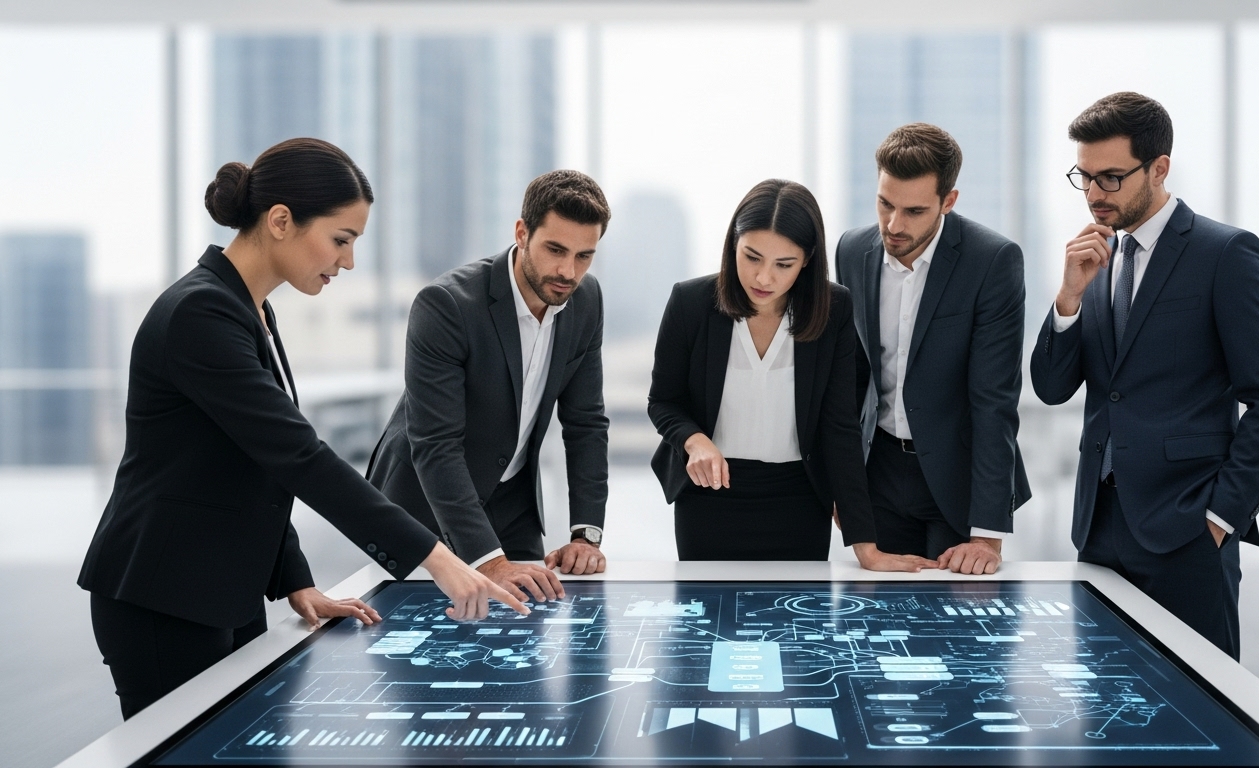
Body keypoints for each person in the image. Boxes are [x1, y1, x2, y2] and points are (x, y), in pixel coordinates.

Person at [78, 138, 526, 720]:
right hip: (164, 594)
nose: (348, 261)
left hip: (222, 588)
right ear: (281, 221)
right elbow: (299, 456)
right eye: (342, 239)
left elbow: (258, 461)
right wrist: (438, 558)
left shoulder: (249, 309)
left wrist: (295, 580)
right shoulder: (200, 313)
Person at [1029, 92, 1259, 659]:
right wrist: (1069, 296)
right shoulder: (1096, 257)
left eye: (1111, 178)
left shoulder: (1226, 253)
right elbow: (1052, 389)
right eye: (1084, 176)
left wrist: (1222, 516)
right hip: (1099, 529)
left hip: (1189, 530)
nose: (1095, 194)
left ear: (1159, 168)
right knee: (1107, 709)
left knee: (1202, 715)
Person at [649, 178, 938, 571]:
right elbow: (663, 401)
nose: (764, 278)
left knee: (799, 625)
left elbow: (840, 426)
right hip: (707, 498)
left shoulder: (833, 308)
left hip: (799, 501)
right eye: (751, 257)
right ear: (733, 243)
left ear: (807, 259)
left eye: (783, 264)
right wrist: (694, 441)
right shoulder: (691, 303)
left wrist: (864, 544)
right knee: (709, 625)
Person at [368, 170, 610, 603]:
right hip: (426, 506)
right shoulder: (446, 305)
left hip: (513, 503)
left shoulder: (586, 301)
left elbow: (586, 423)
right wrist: (489, 562)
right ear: (522, 233)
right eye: (555, 249)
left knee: (525, 636)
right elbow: (436, 443)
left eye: (584, 256)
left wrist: (585, 535)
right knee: (419, 655)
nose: (567, 271)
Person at [835, 123, 1031, 575]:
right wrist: (844, 488)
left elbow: (994, 400)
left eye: (914, 210)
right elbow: (848, 382)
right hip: (877, 474)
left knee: (959, 630)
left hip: (957, 480)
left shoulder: (993, 261)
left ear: (948, 201)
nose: (893, 224)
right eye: (885, 203)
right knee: (880, 627)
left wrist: (986, 535)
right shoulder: (851, 250)